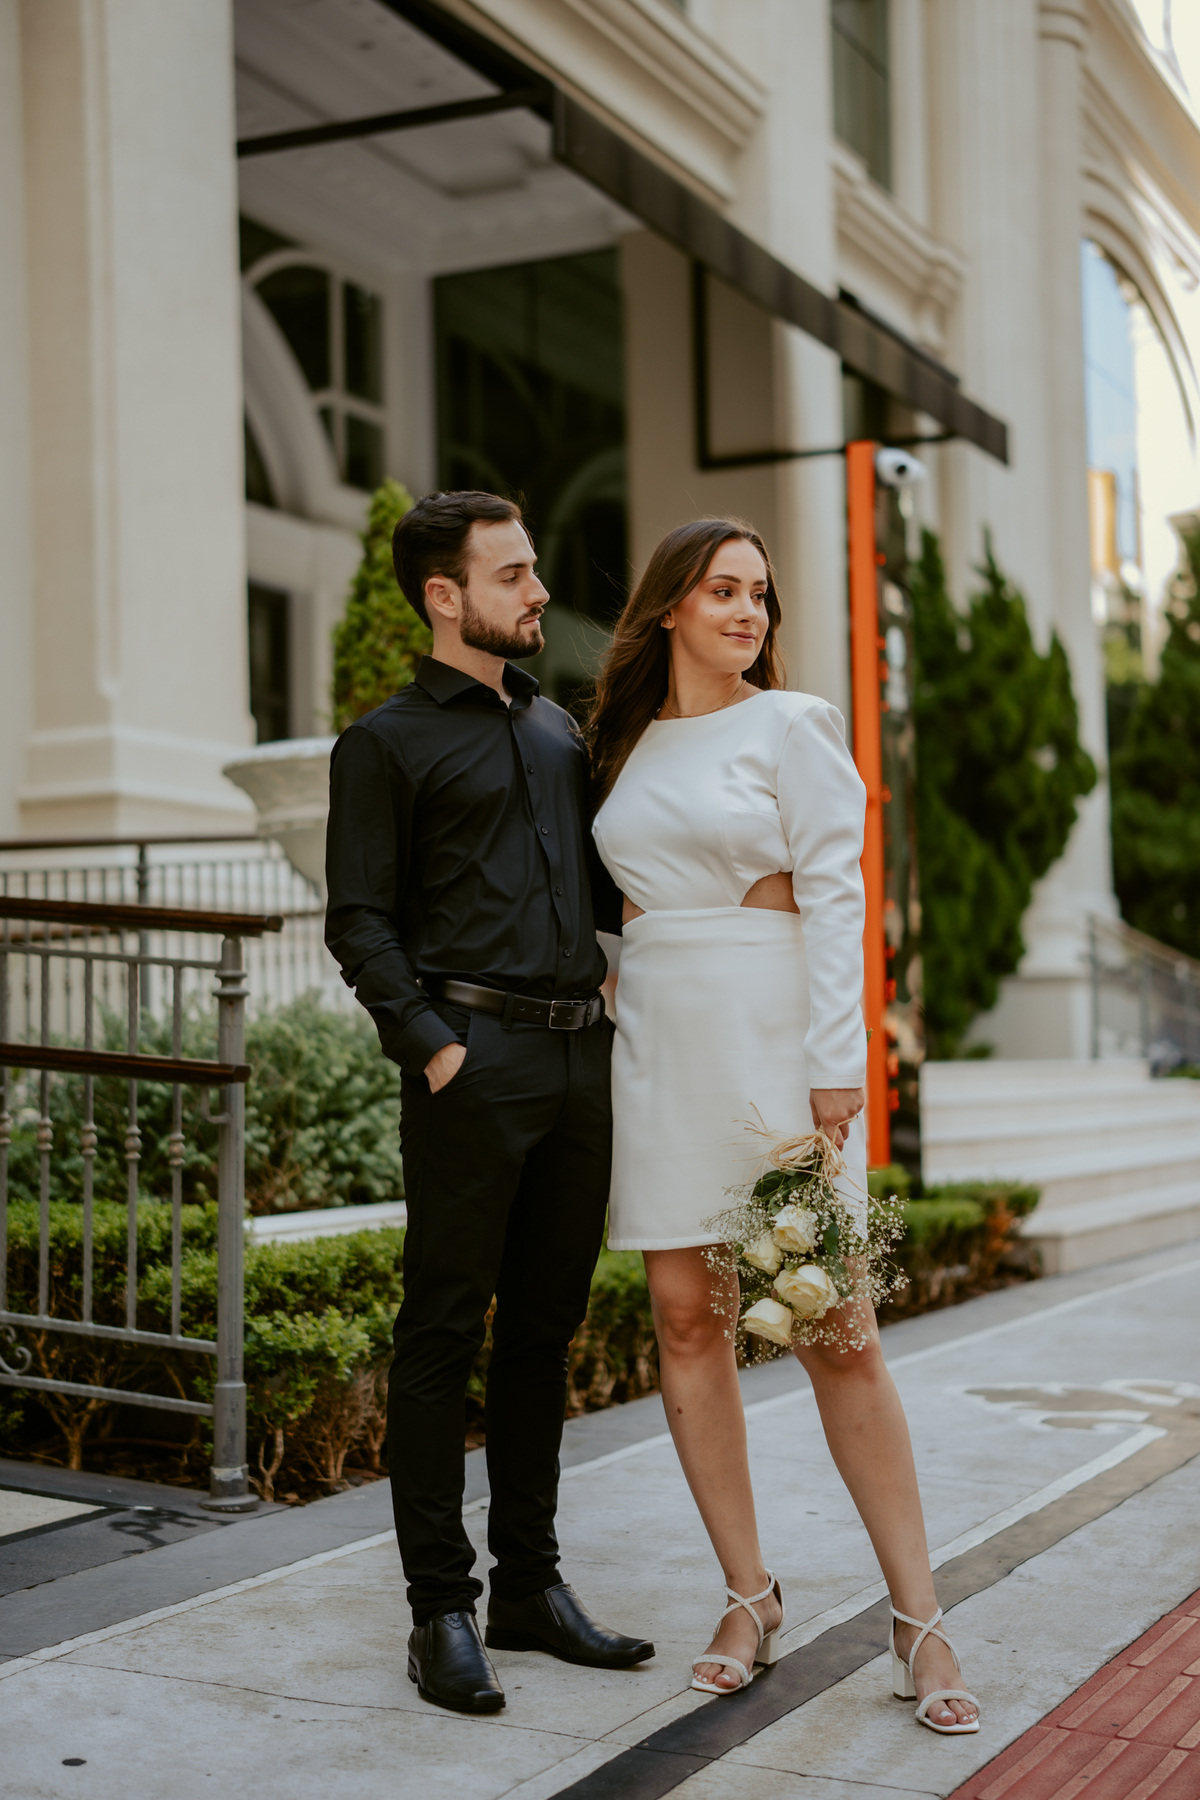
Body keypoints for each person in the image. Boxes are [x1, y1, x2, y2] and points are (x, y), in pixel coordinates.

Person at [587, 518, 980, 1735]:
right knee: (685, 1318)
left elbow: (838, 896)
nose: (749, 611)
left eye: (760, 593)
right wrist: (618, 970)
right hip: (660, 1047)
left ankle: (920, 1619)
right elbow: (613, 898)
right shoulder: (618, 746)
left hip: (775, 1057)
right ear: (668, 608)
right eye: (722, 590)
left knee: (835, 1327)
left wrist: (833, 1071)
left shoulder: (792, 723)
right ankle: (748, 1597)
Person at [324, 489, 654, 1717]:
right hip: (472, 1060)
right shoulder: (387, 742)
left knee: (544, 1336)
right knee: (442, 1336)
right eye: (514, 576)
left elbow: (609, 898)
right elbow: (358, 918)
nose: (540, 593)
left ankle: (529, 1585)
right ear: (444, 595)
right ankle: (438, 1610)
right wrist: (432, 1047)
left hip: (579, 1067)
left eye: (533, 570)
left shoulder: (559, 734)